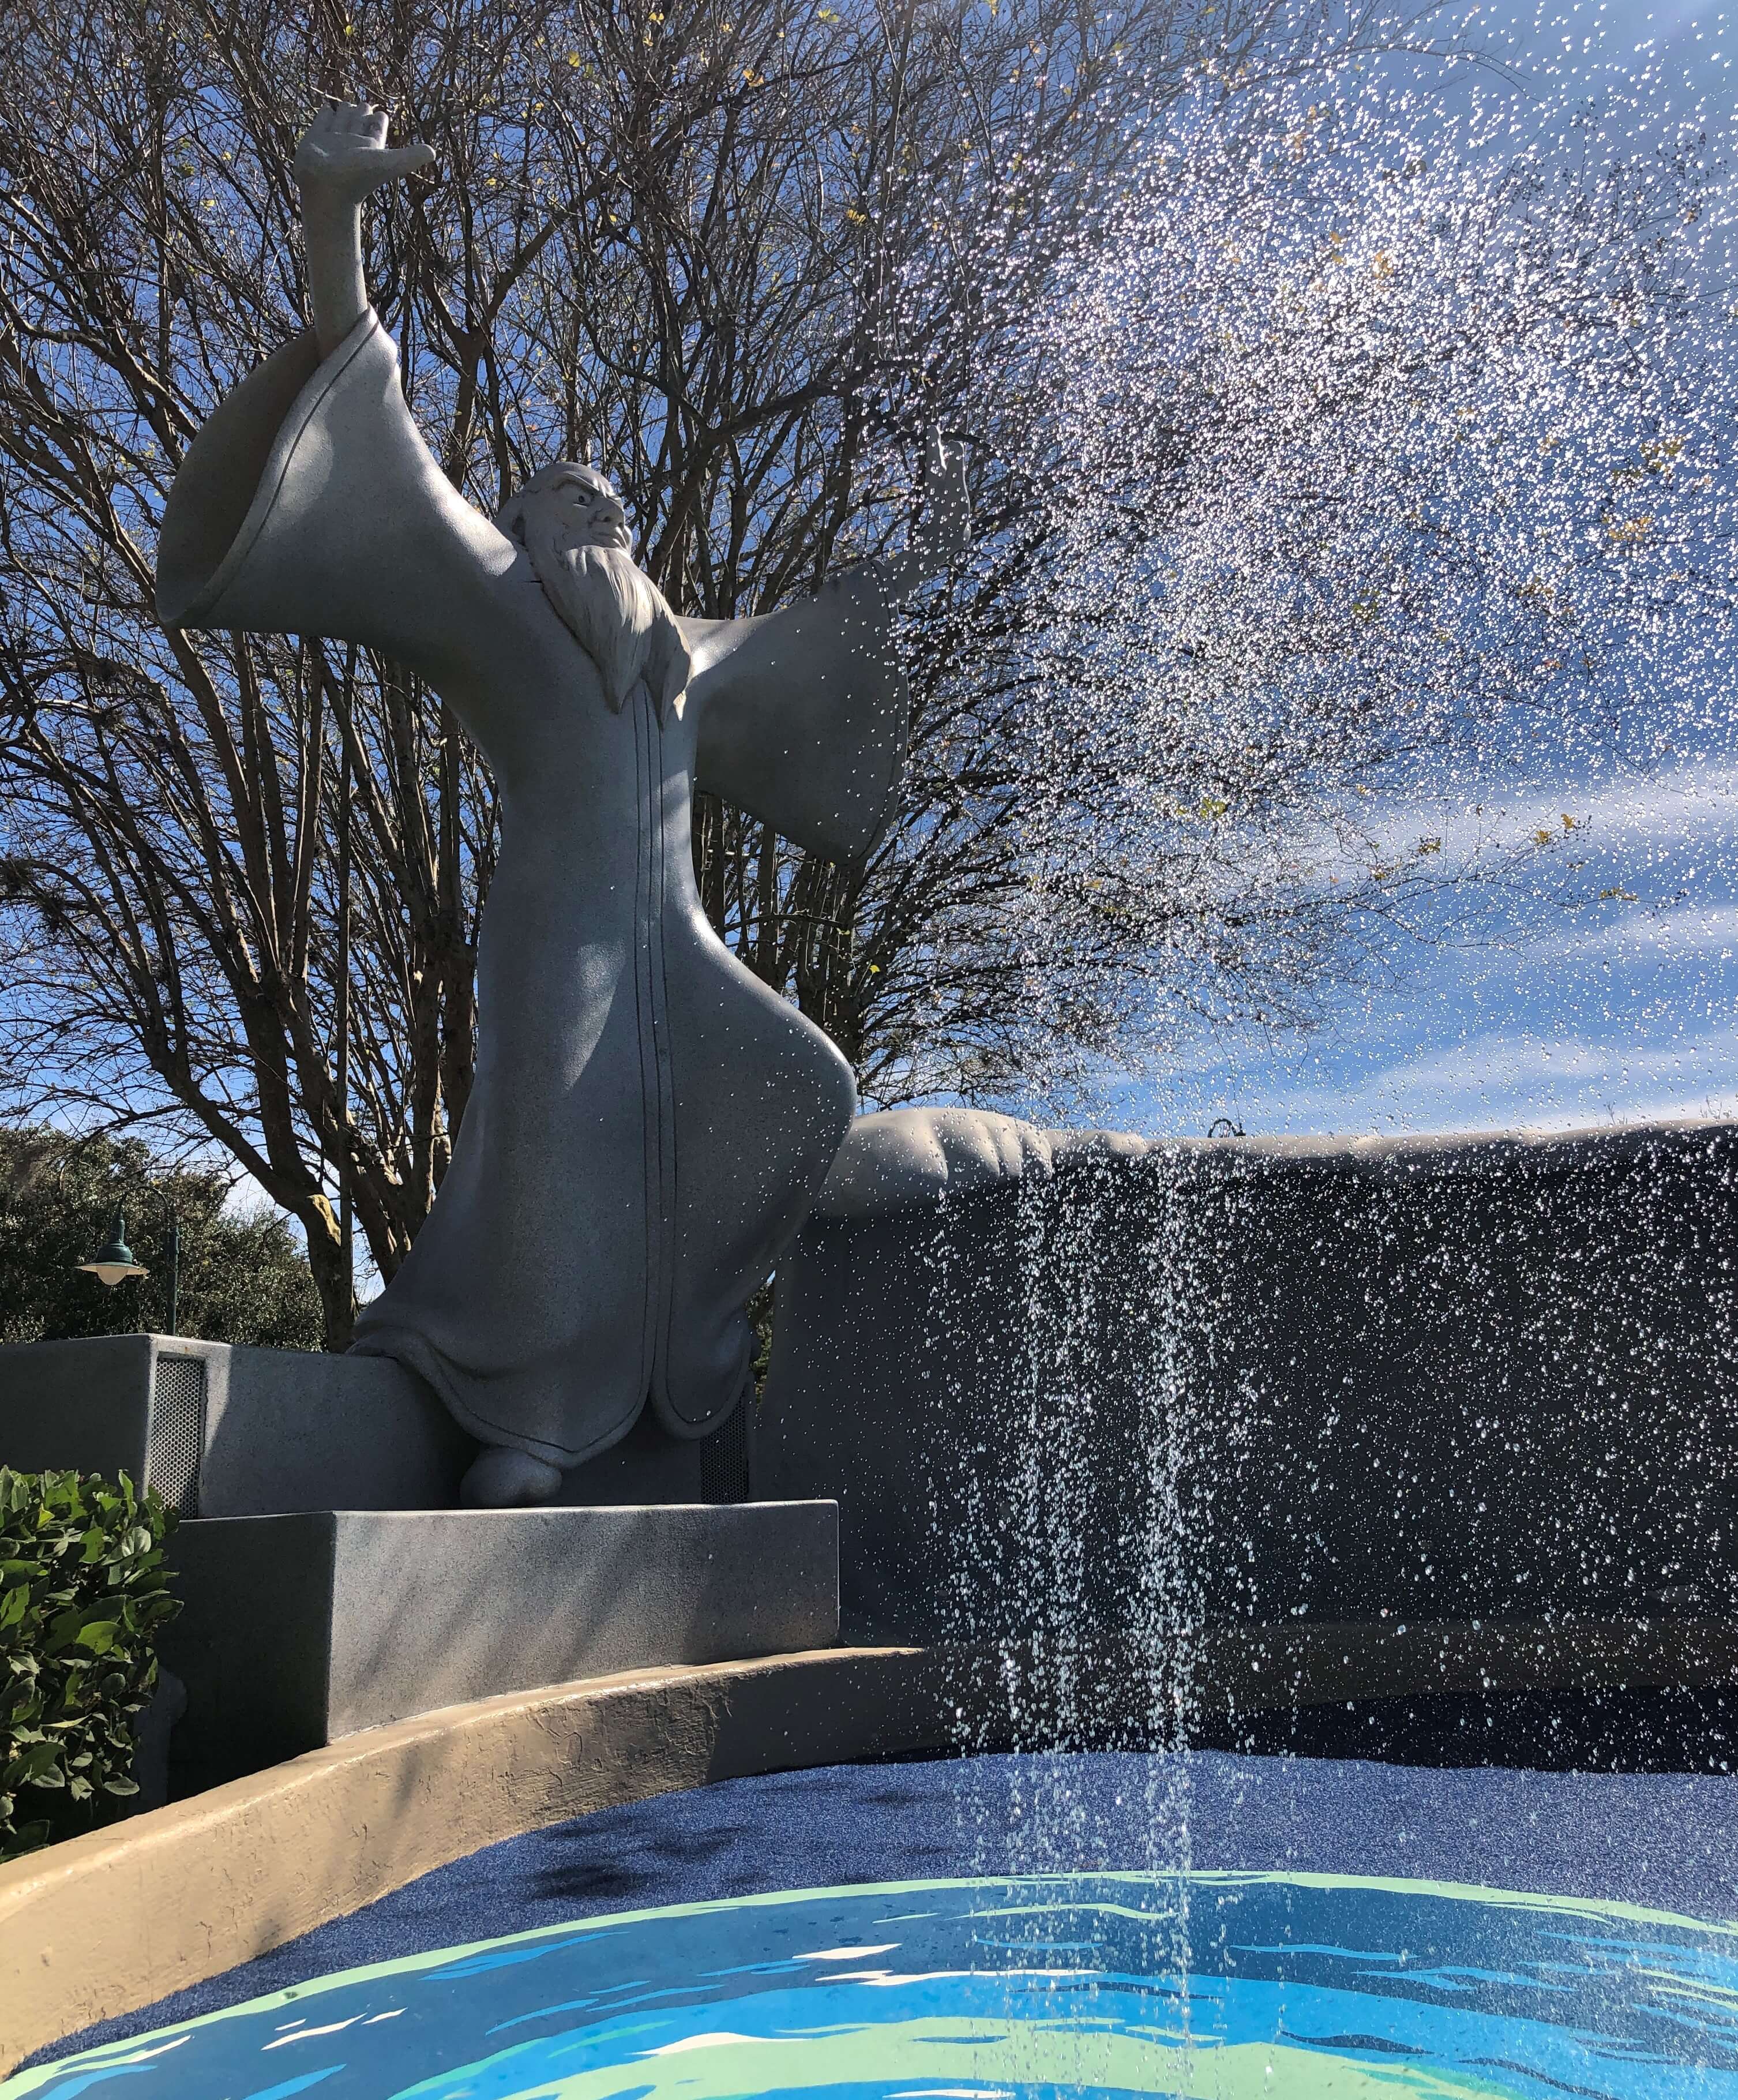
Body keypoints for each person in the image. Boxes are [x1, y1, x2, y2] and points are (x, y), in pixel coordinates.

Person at [156, 100, 967, 1505]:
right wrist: (334, 211)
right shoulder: (498, 600)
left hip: (677, 943)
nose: (588, 506)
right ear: (523, 526)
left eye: (604, 502)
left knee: (796, 1084)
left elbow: (824, 653)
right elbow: (371, 416)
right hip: (559, 944)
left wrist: (940, 540)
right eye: (559, 496)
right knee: (549, 1158)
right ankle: (530, 1418)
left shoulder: (675, 654)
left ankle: (688, 1374)